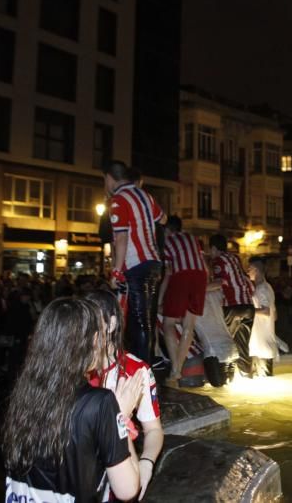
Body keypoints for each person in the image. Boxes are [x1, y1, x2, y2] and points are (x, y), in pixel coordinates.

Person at [2, 297, 144, 503]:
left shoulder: (24, 393)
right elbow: (128, 489)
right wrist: (121, 418)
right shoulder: (100, 403)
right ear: (93, 341)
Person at [86, 290, 164, 499]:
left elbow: (153, 429)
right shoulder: (73, 364)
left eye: (92, 322)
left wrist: (147, 462)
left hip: (118, 471)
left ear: (111, 324)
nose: (85, 331)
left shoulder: (136, 370)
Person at [105, 160, 167, 361]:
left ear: (109, 178)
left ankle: (142, 372)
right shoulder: (145, 195)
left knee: (139, 321)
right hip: (154, 263)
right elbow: (163, 218)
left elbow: (121, 238)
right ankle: (143, 366)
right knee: (145, 318)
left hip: (136, 265)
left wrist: (116, 271)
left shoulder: (118, 200)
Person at [160, 216, 209, 382]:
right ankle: (177, 370)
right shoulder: (193, 239)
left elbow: (168, 273)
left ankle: (175, 368)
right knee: (189, 325)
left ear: (167, 230)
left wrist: (160, 299)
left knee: (168, 324)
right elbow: (204, 265)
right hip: (200, 276)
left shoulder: (167, 242)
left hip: (182, 276)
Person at [207, 234, 255, 377]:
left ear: (214, 248)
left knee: (226, 341)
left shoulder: (218, 260)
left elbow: (220, 282)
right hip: (248, 305)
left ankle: (228, 377)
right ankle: (247, 374)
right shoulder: (235, 258)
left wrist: (198, 289)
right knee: (243, 343)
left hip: (232, 305)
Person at [246, 256, 285, 377]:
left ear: (255, 269)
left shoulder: (261, 289)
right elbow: (275, 315)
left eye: (249, 269)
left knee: (263, 381)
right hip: (263, 344)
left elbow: (266, 311)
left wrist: (247, 311)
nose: (247, 271)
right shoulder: (267, 287)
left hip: (262, 345)